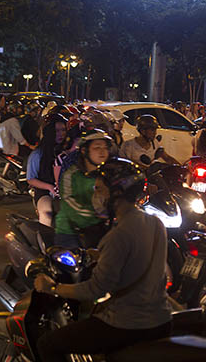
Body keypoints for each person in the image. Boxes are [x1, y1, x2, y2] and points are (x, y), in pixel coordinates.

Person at [34, 158, 171, 362]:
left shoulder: (117, 236)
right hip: (161, 318)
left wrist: (52, 288)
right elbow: (139, 257)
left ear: (116, 194)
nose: (95, 195)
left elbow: (94, 290)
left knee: (48, 344)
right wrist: (98, 255)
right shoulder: (154, 222)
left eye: (99, 190)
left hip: (127, 324)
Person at [55, 130, 111, 248]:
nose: (102, 151)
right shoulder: (71, 175)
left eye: (105, 148)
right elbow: (70, 204)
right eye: (97, 147)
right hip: (72, 231)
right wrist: (99, 216)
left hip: (104, 228)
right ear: (84, 151)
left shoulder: (109, 173)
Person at [26, 115, 67, 226]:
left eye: (63, 130)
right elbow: (31, 179)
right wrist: (50, 187)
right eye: (57, 131)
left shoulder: (67, 151)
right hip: (45, 192)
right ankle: (46, 239)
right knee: (46, 212)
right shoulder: (38, 154)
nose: (61, 134)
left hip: (67, 191)